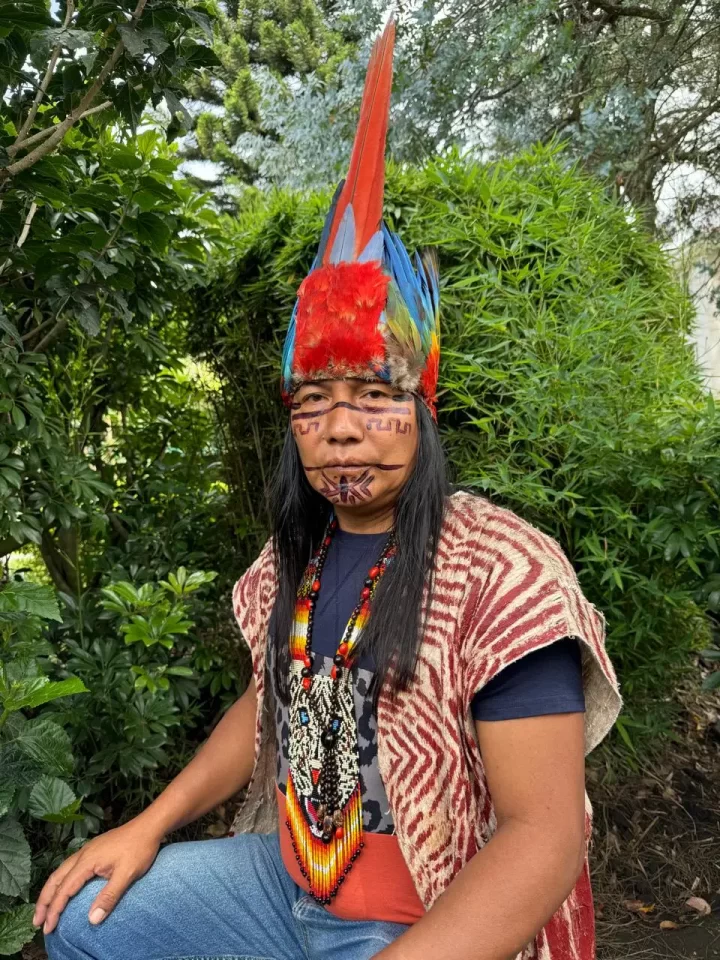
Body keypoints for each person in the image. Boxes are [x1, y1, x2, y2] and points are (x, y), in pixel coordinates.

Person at [37, 20, 621, 960]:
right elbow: (268, 702)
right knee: (88, 923)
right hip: (283, 885)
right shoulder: (292, 561)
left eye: (374, 396)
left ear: (422, 412)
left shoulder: (504, 574)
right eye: (314, 401)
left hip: (426, 914)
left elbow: (544, 836)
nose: (341, 425)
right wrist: (148, 825)